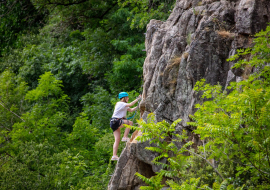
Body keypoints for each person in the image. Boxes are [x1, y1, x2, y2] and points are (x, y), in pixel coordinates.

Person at [110, 92, 141, 161]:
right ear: (124, 98)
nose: (128, 98)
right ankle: (125, 137)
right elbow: (130, 104)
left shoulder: (123, 105)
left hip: (113, 122)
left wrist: (138, 105)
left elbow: (131, 110)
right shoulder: (120, 103)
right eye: (127, 97)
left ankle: (114, 155)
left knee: (117, 140)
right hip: (116, 121)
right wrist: (138, 99)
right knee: (130, 123)